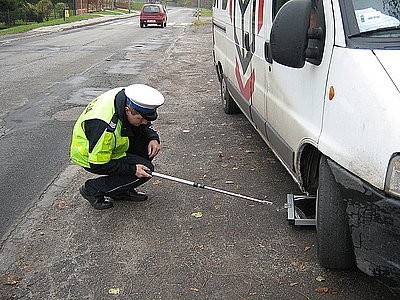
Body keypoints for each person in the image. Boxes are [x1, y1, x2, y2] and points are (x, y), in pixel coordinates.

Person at [70, 84, 164, 210]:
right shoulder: (104, 127)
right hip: (92, 156)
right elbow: (99, 163)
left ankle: (120, 191)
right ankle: (93, 188)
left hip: (111, 144)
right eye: (140, 119)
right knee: (145, 170)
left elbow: (144, 122)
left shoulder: (128, 97)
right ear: (127, 110)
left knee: (146, 148)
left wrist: (152, 136)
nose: (144, 122)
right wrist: (132, 169)